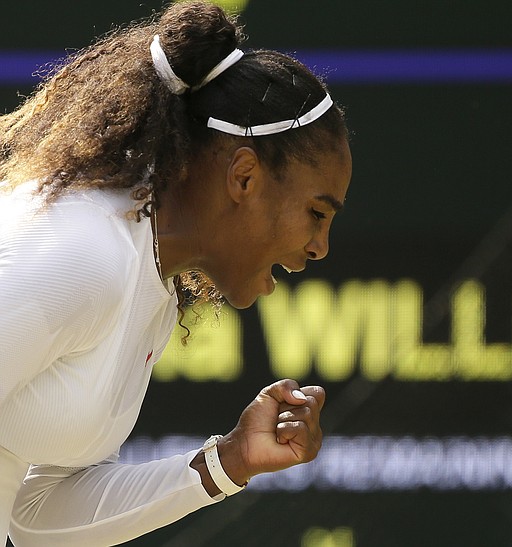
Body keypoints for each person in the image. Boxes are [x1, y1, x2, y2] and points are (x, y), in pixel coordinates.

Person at [0, 1, 351, 545]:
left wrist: (229, 462)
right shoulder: (84, 254)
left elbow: (34, 515)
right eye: (317, 213)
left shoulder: (148, 278)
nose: (321, 247)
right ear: (244, 177)